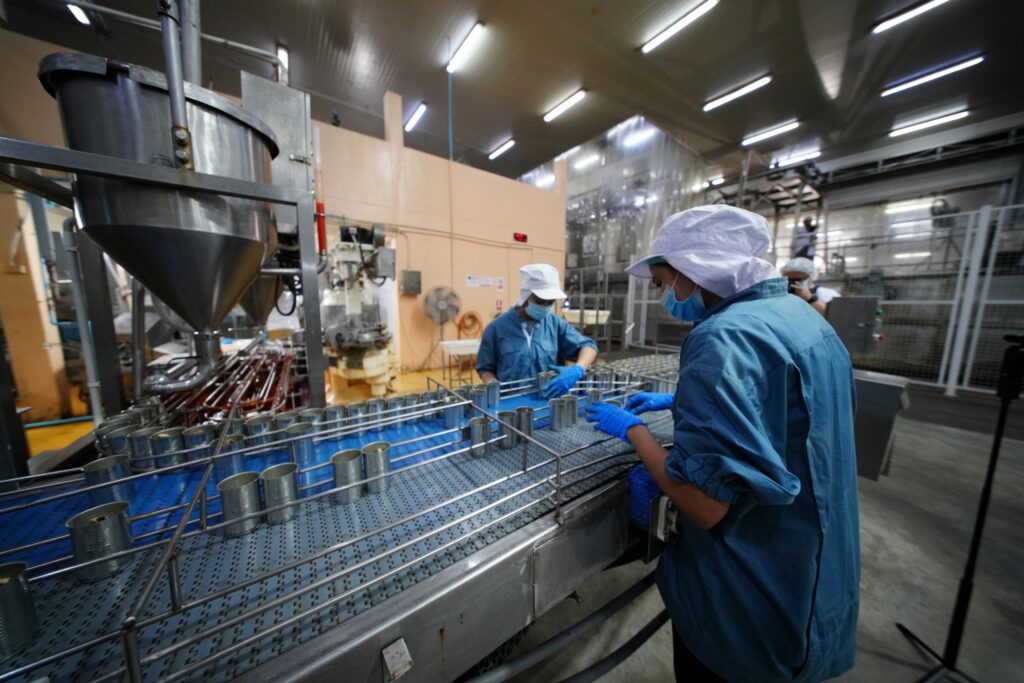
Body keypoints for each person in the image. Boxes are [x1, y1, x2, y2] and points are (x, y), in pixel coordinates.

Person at [585, 205, 859, 682]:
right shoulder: (802, 317)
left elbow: (702, 504)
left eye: (664, 281)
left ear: (693, 270)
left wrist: (634, 432)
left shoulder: (721, 337)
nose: (665, 294)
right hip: (815, 569)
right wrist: (678, 398)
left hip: (750, 589)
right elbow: (786, 408)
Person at [476, 263, 597, 398]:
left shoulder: (555, 324)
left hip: (550, 402)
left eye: (550, 302)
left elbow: (589, 347)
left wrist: (577, 369)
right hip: (512, 404)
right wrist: (492, 385)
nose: (545, 307)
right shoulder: (496, 328)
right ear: (525, 296)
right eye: (540, 302)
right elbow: (485, 368)